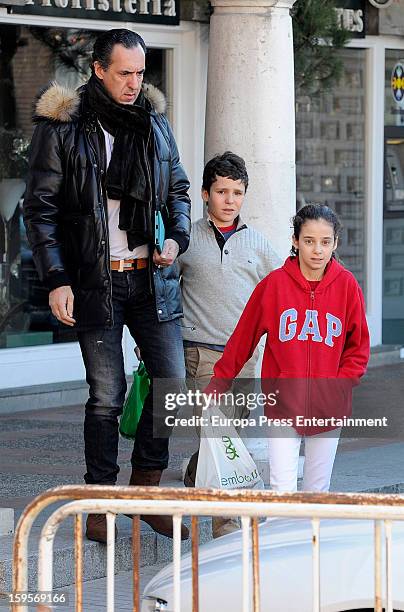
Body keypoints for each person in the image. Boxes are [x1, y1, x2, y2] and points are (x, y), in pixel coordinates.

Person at [23, 28, 191, 543]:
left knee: (171, 387)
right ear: (98, 69)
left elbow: (179, 188)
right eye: (124, 73)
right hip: (98, 282)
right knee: (106, 395)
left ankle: (146, 493)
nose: (135, 83)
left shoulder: (155, 124)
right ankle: (100, 501)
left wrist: (178, 239)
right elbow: (41, 210)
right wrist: (56, 279)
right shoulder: (64, 128)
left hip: (151, 278)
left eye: (141, 73)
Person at [204, 203, 370, 493]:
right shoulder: (274, 285)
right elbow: (243, 339)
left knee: (318, 491)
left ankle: (311, 540)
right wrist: (219, 383)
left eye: (325, 242)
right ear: (295, 241)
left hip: (328, 406)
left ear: (335, 243)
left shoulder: (347, 286)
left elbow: (358, 349)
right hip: (282, 402)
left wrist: (338, 386)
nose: (317, 250)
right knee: (282, 490)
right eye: (309, 241)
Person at [177, 151, 281, 537]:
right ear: (205, 194)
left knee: (225, 434)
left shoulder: (257, 244)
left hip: (245, 358)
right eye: (222, 191)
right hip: (200, 353)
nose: (230, 199)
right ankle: (226, 523)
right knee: (220, 435)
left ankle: (194, 472)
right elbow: (166, 291)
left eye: (237, 192)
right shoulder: (186, 239)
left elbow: (281, 288)